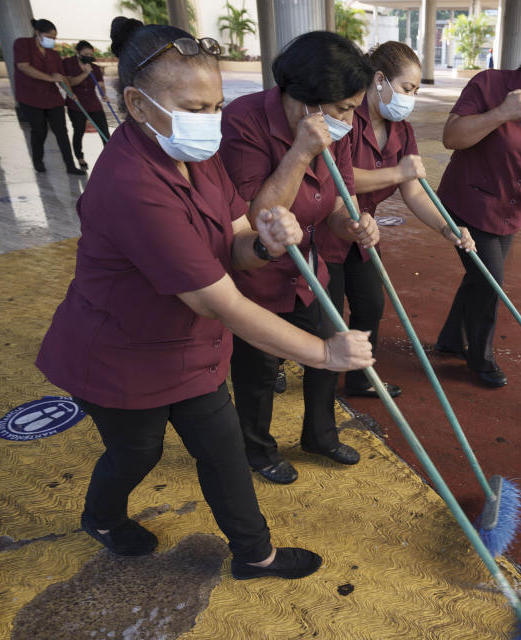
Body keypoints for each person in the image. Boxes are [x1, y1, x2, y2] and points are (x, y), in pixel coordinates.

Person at [35, 17, 373, 580]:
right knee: (135, 454)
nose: (211, 121)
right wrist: (324, 353)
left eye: (216, 105)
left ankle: (254, 554)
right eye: (194, 108)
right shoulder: (132, 186)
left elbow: (236, 241)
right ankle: (99, 516)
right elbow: (220, 302)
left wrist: (263, 244)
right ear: (139, 106)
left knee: (223, 452)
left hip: (190, 350)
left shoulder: (198, 155)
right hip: (121, 359)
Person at [219, 32, 379, 486]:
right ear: (306, 100)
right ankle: (259, 450)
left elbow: (336, 198)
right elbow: (256, 218)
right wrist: (301, 150)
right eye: (344, 108)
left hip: (311, 269)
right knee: (259, 371)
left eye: (354, 107)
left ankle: (319, 436)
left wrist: (351, 225)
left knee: (330, 353)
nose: (350, 119)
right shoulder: (244, 121)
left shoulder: (338, 129)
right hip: (258, 274)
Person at [435, 18, 521, 388]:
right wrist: (500, 114)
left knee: (480, 275)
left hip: (509, 212)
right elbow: (451, 136)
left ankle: (451, 339)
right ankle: (479, 359)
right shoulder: (489, 84)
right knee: (490, 281)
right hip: (468, 202)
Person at [337, 41, 475, 399]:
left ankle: (359, 376)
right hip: (326, 224)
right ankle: (278, 359)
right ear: (379, 80)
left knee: (370, 304)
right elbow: (339, 178)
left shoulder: (402, 131)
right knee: (319, 310)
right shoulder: (346, 116)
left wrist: (446, 227)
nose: (410, 98)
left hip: (362, 229)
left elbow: (413, 191)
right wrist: (397, 173)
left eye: (415, 90)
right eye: (407, 88)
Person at [13, 18, 85, 175]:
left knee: (62, 131)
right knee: (40, 131)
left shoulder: (53, 55)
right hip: (30, 97)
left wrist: (71, 93)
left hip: (53, 98)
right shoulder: (22, 44)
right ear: (38, 33)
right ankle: (37, 160)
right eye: (49, 37)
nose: (52, 40)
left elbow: (62, 76)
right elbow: (24, 67)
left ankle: (70, 166)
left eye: (54, 38)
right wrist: (51, 78)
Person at [63, 40, 111, 169]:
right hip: (76, 103)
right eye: (85, 54)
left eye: (90, 54)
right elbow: (70, 82)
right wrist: (85, 73)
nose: (88, 57)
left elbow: (100, 85)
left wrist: (103, 94)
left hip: (93, 102)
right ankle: (80, 157)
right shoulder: (69, 63)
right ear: (78, 53)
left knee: (104, 131)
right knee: (78, 130)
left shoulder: (94, 67)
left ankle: (111, 156)